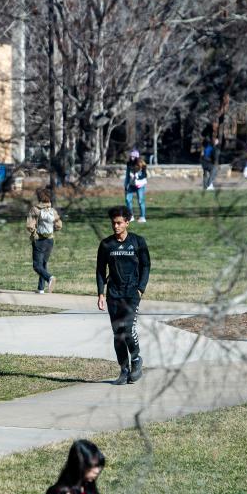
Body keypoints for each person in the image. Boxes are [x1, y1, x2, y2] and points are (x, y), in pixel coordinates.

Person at [96, 205, 150, 384]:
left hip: (132, 294)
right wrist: (101, 294)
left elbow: (146, 266)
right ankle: (124, 369)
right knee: (118, 333)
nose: (116, 226)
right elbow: (100, 270)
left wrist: (141, 288)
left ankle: (136, 360)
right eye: (114, 223)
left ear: (127, 223)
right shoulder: (106, 244)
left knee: (128, 330)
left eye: (119, 223)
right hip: (113, 294)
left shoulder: (138, 242)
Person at [26, 188, 62, 294]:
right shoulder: (52, 210)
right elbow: (59, 225)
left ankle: (49, 278)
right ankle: (41, 288)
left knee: (37, 266)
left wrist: (33, 231)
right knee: (44, 264)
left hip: (39, 240)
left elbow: (29, 225)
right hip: (50, 240)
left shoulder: (35, 209)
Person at [125, 151, 148, 223]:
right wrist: (126, 184)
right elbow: (127, 175)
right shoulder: (129, 164)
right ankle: (130, 216)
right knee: (128, 199)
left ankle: (142, 217)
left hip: (140, 185)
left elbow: (144, 175)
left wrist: (137, 176)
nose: (132, 158)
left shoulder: (142, 164)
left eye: (133, 157)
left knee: (141, 201)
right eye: (131, 156)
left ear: (137, 157)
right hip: (131, 184)